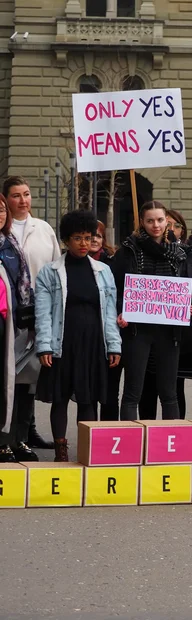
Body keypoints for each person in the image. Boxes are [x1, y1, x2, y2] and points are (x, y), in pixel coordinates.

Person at [34, 211, 121, 461]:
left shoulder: (104, 271)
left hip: (93, 343)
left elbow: (109, 311)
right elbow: (43, 313)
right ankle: (61, 451)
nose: (84, 243)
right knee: (60, 398)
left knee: (89, 397)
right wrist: (44, 346)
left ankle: (86, 448)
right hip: (62, 342)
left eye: (88, 237)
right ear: (65, 240)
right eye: (77, 238)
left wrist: (114, 345)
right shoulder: (49, 272)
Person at [113, 201, 191, 421]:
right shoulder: (129, 250)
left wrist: (189, 304)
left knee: (169, 393)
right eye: (150, 221)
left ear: (167, 221)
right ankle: (130, 443)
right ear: (142, 222)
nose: (155, 225)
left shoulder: (180, 252)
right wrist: (121, 310)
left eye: (159, 220)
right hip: (137, 330)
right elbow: (116, 287)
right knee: (132, 392)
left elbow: (186, 285)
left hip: (169, 330)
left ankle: (170, 445)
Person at [5, 176, 60, 456]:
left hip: (37, 313)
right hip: (8, 314)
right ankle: (8, 436)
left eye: (26, 194)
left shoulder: (43, 229)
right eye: (16, 195)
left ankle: (24, 435)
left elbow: (54, 269)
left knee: (30, 376)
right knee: (8, 376)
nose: (23, 200)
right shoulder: (4, 232)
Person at [138, 209, 192, 420]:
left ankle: (175, 436)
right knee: (147, 387)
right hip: (151, 332)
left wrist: (191, 304)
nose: (170, 229)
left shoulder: (188, 254)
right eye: (169, 224)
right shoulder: (144, 251)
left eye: (176, 225)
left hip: (179, 333)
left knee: (175, 388)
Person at [0, 194, 33, 462]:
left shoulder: (11, 245)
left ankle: (8, 440)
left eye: (0, 210)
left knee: (9, 383)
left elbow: (22, 283)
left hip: (8, 324)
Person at [90, 220, 122, 423]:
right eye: (89, 235)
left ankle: (109, 435)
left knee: (111, 392)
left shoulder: (113, 262)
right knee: (89, 392)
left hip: (112, 332)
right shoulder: (70, 262)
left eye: (98, 235)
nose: (94, 239)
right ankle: (90, 434)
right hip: (88, 334)